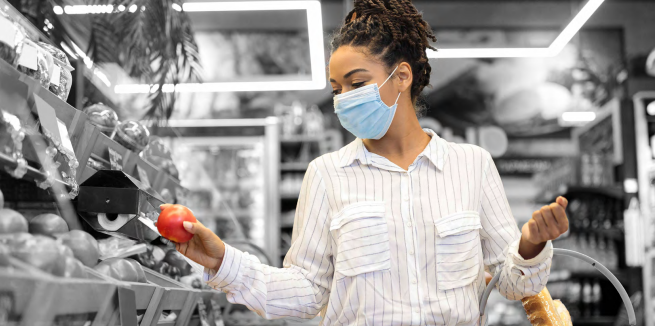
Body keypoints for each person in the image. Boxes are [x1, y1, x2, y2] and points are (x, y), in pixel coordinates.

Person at [174, 0, 569, 324]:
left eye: (357, 83)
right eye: (336, 88)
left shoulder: (472, 165)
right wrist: (225, 262)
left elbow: (512, 283)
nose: (343, 97)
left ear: (401, 77)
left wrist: (532, 243)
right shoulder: (327, 174)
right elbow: (308, 290)